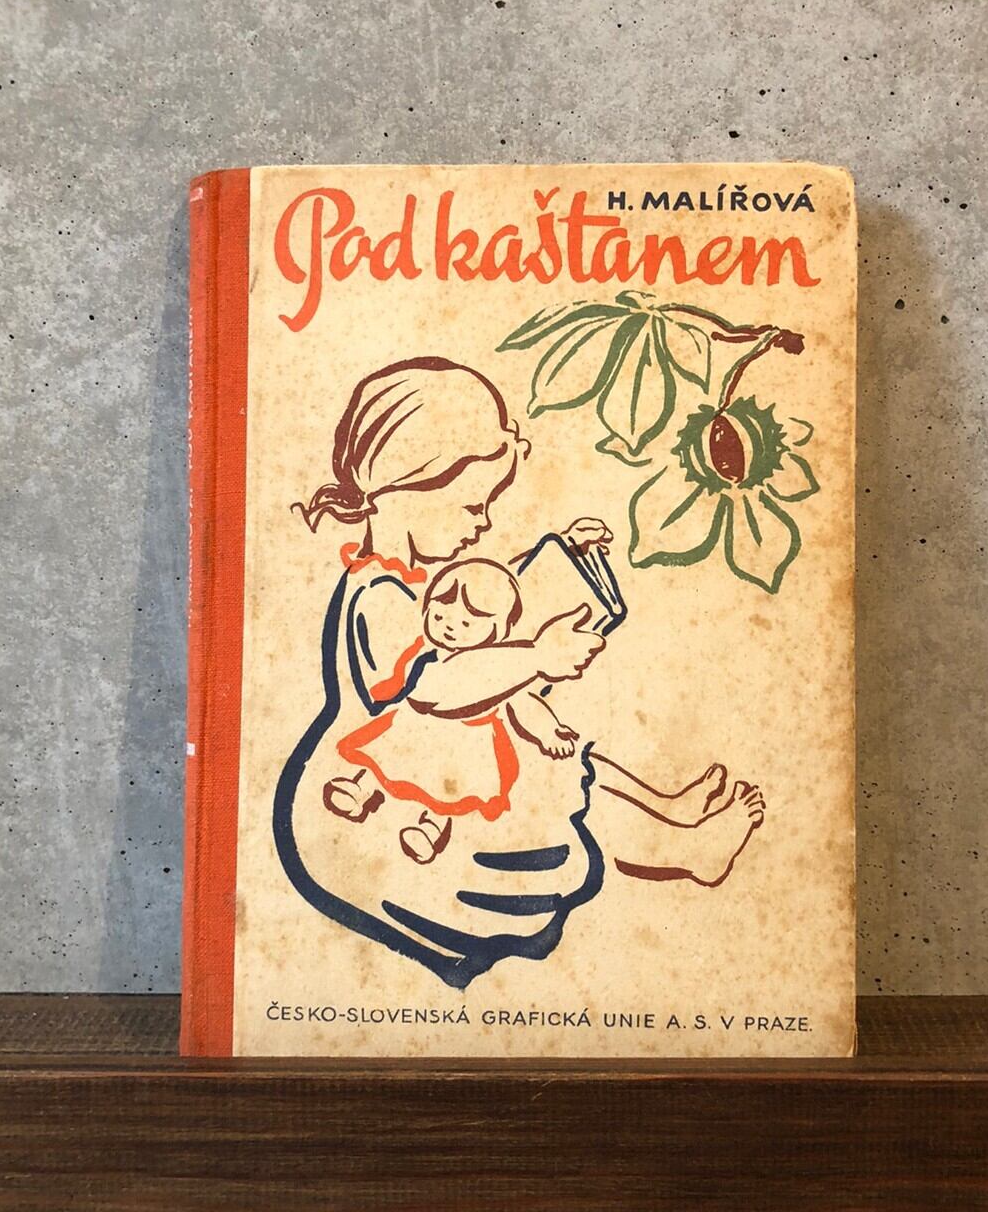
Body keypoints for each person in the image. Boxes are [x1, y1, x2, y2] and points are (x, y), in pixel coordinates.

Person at [274, 356, 764, 989]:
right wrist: (535, 656)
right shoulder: (378, 593)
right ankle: (685, 849)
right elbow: (432, 686)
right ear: (409, 487)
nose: (481, 522)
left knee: (561, 748)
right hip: (392, 790)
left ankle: (668, 810)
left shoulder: (421, 574)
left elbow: (486, 593)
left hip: (453, 749)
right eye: (471, 505)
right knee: (550, 778)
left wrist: (556, 555)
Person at [323, 558, 582, 865]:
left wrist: (548, 732)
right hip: (412, 724)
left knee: (447, 792)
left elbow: (523, 703)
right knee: (384, 759)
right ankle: (361, 790)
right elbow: (403, 677)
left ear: (499, 630)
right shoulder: (424, 652)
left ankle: (430, 829)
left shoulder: (498, 669)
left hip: (467, 743)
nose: (449, 627)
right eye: (439, 614)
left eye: (466, 624)